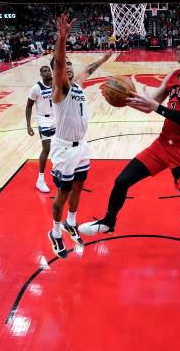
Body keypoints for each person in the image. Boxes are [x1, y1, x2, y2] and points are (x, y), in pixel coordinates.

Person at [79, 27, 180, 243]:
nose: (178, 47)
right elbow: (150, 104)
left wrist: (155, 107)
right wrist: (125, 99)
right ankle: (108, 222)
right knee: (122, 180)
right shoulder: (173, 76)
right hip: (162, 145)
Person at [47, 14, 113, 258]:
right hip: (64, 149)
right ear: (58, 73)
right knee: (62, 193)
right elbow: (61, 63)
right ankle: (54, 231)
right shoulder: (60, 88)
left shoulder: (77, 84)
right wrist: (62, 38)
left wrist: (104, 58)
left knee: (79, 186)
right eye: (66, 66)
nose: (71, 68)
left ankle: (70, 222)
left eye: (72, 65)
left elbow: (87, 69)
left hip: (81, 146)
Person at [26, 66, 55, 193]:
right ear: (40, 74)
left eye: (48, 70)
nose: (47, 72)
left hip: (57, 117)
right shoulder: (36, 88)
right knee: (47, 146)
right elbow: (28, 107)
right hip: (44, 119)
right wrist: (28, 125)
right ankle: (40, 179)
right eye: (44, 71)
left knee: (61, 145)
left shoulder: (57, 83)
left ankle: (62, 171)